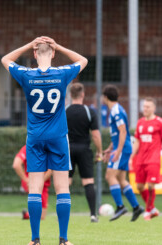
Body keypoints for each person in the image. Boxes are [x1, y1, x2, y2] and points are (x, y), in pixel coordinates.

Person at [2, 36, 87, 245]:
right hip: (58, 137)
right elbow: (83, 60)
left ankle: (35, 240)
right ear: (53, 53)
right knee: (62, 189)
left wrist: (26, 45)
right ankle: (64, 240)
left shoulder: (27, 75)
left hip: (35, 137)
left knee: (35, 189)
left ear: (34, 53)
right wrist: (60, 46)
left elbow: (5, 59)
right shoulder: (62, 74)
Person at [102, 85, 144, 222]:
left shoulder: (116, 111)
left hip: (122, 148)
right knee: (121, 179)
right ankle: (136, 207)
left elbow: (123, 131)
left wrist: (117, 150)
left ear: (105, 97)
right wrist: (110, 148)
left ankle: (120, 207)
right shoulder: (115, 110)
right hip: (121, 147)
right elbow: (117, 134)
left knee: (109, 175)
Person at [66, 83, 102, 223]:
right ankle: (93, 215)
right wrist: (99, 151)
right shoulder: (89, 111)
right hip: (84, 149)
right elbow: (96, 136)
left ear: (70, 95)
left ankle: (63, 215)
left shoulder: (65, 111)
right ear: (82, 94)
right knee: (88, 182)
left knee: (65, 183)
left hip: (67, 150)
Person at [130, 97, 162, 220]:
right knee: (140, 187)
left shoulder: (160, 122)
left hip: (153, 159)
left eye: (148, 107)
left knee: (151, 186)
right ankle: (152, 208)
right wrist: (131, 157)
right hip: (141, 159)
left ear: (154, 108)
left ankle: (148, 210)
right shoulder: (140, 122)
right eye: (144, 106)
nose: (145, 109)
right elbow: (137, 141)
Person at [13, 145, 52, 220]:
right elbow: (52, 168)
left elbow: (16, 165)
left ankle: (27, 214)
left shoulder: (27, 147)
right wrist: (38, 181)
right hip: (40, 183)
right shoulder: (48, 147)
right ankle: (29, 215)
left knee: (39, 213)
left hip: (30, 182)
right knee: (41, 216)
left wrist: (26, 180)